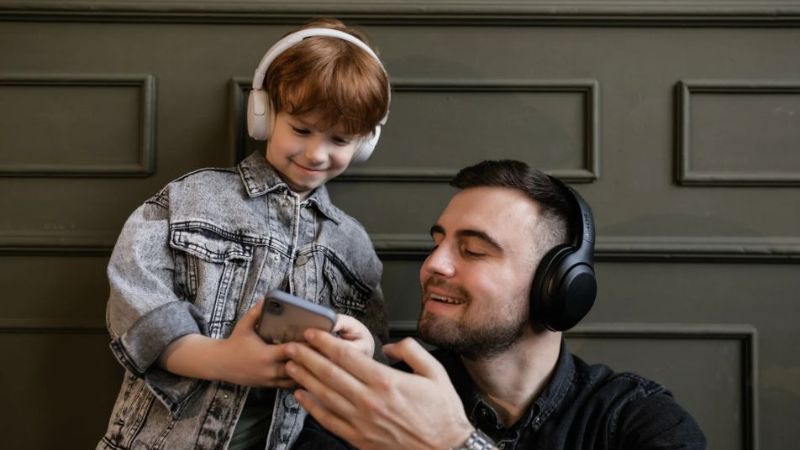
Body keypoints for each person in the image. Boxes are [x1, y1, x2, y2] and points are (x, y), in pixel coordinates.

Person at [97, 17, 391, 450]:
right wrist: (222, 360)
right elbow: (135, 298)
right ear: (263, 114)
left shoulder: (353, 244)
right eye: (302, 129)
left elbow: (372, 352)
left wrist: (366, 351)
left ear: (365, 143)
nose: (316, 153)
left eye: (340, 140)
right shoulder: (192, 199)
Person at [284, 160, 708, 450]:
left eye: (473, 251)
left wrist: (454, 443)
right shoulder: (376, 403)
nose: (432, 265)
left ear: (557, 286)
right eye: (437, 244)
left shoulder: (637, 420)